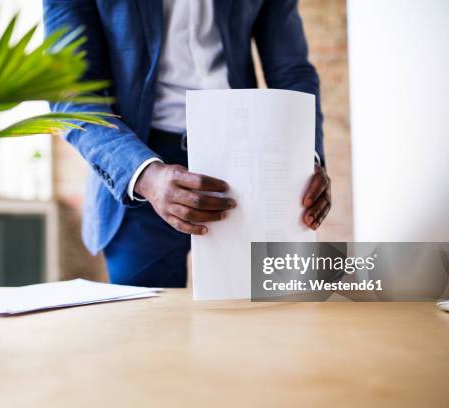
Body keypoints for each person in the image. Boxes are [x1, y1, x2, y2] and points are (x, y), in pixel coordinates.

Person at [43, 0, 332, 287]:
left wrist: (306, 156)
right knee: (150, 324)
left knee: (266, 316)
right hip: (140, 165)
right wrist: (143, 174)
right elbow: (71, 95)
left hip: (245, 152)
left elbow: (291, 71)